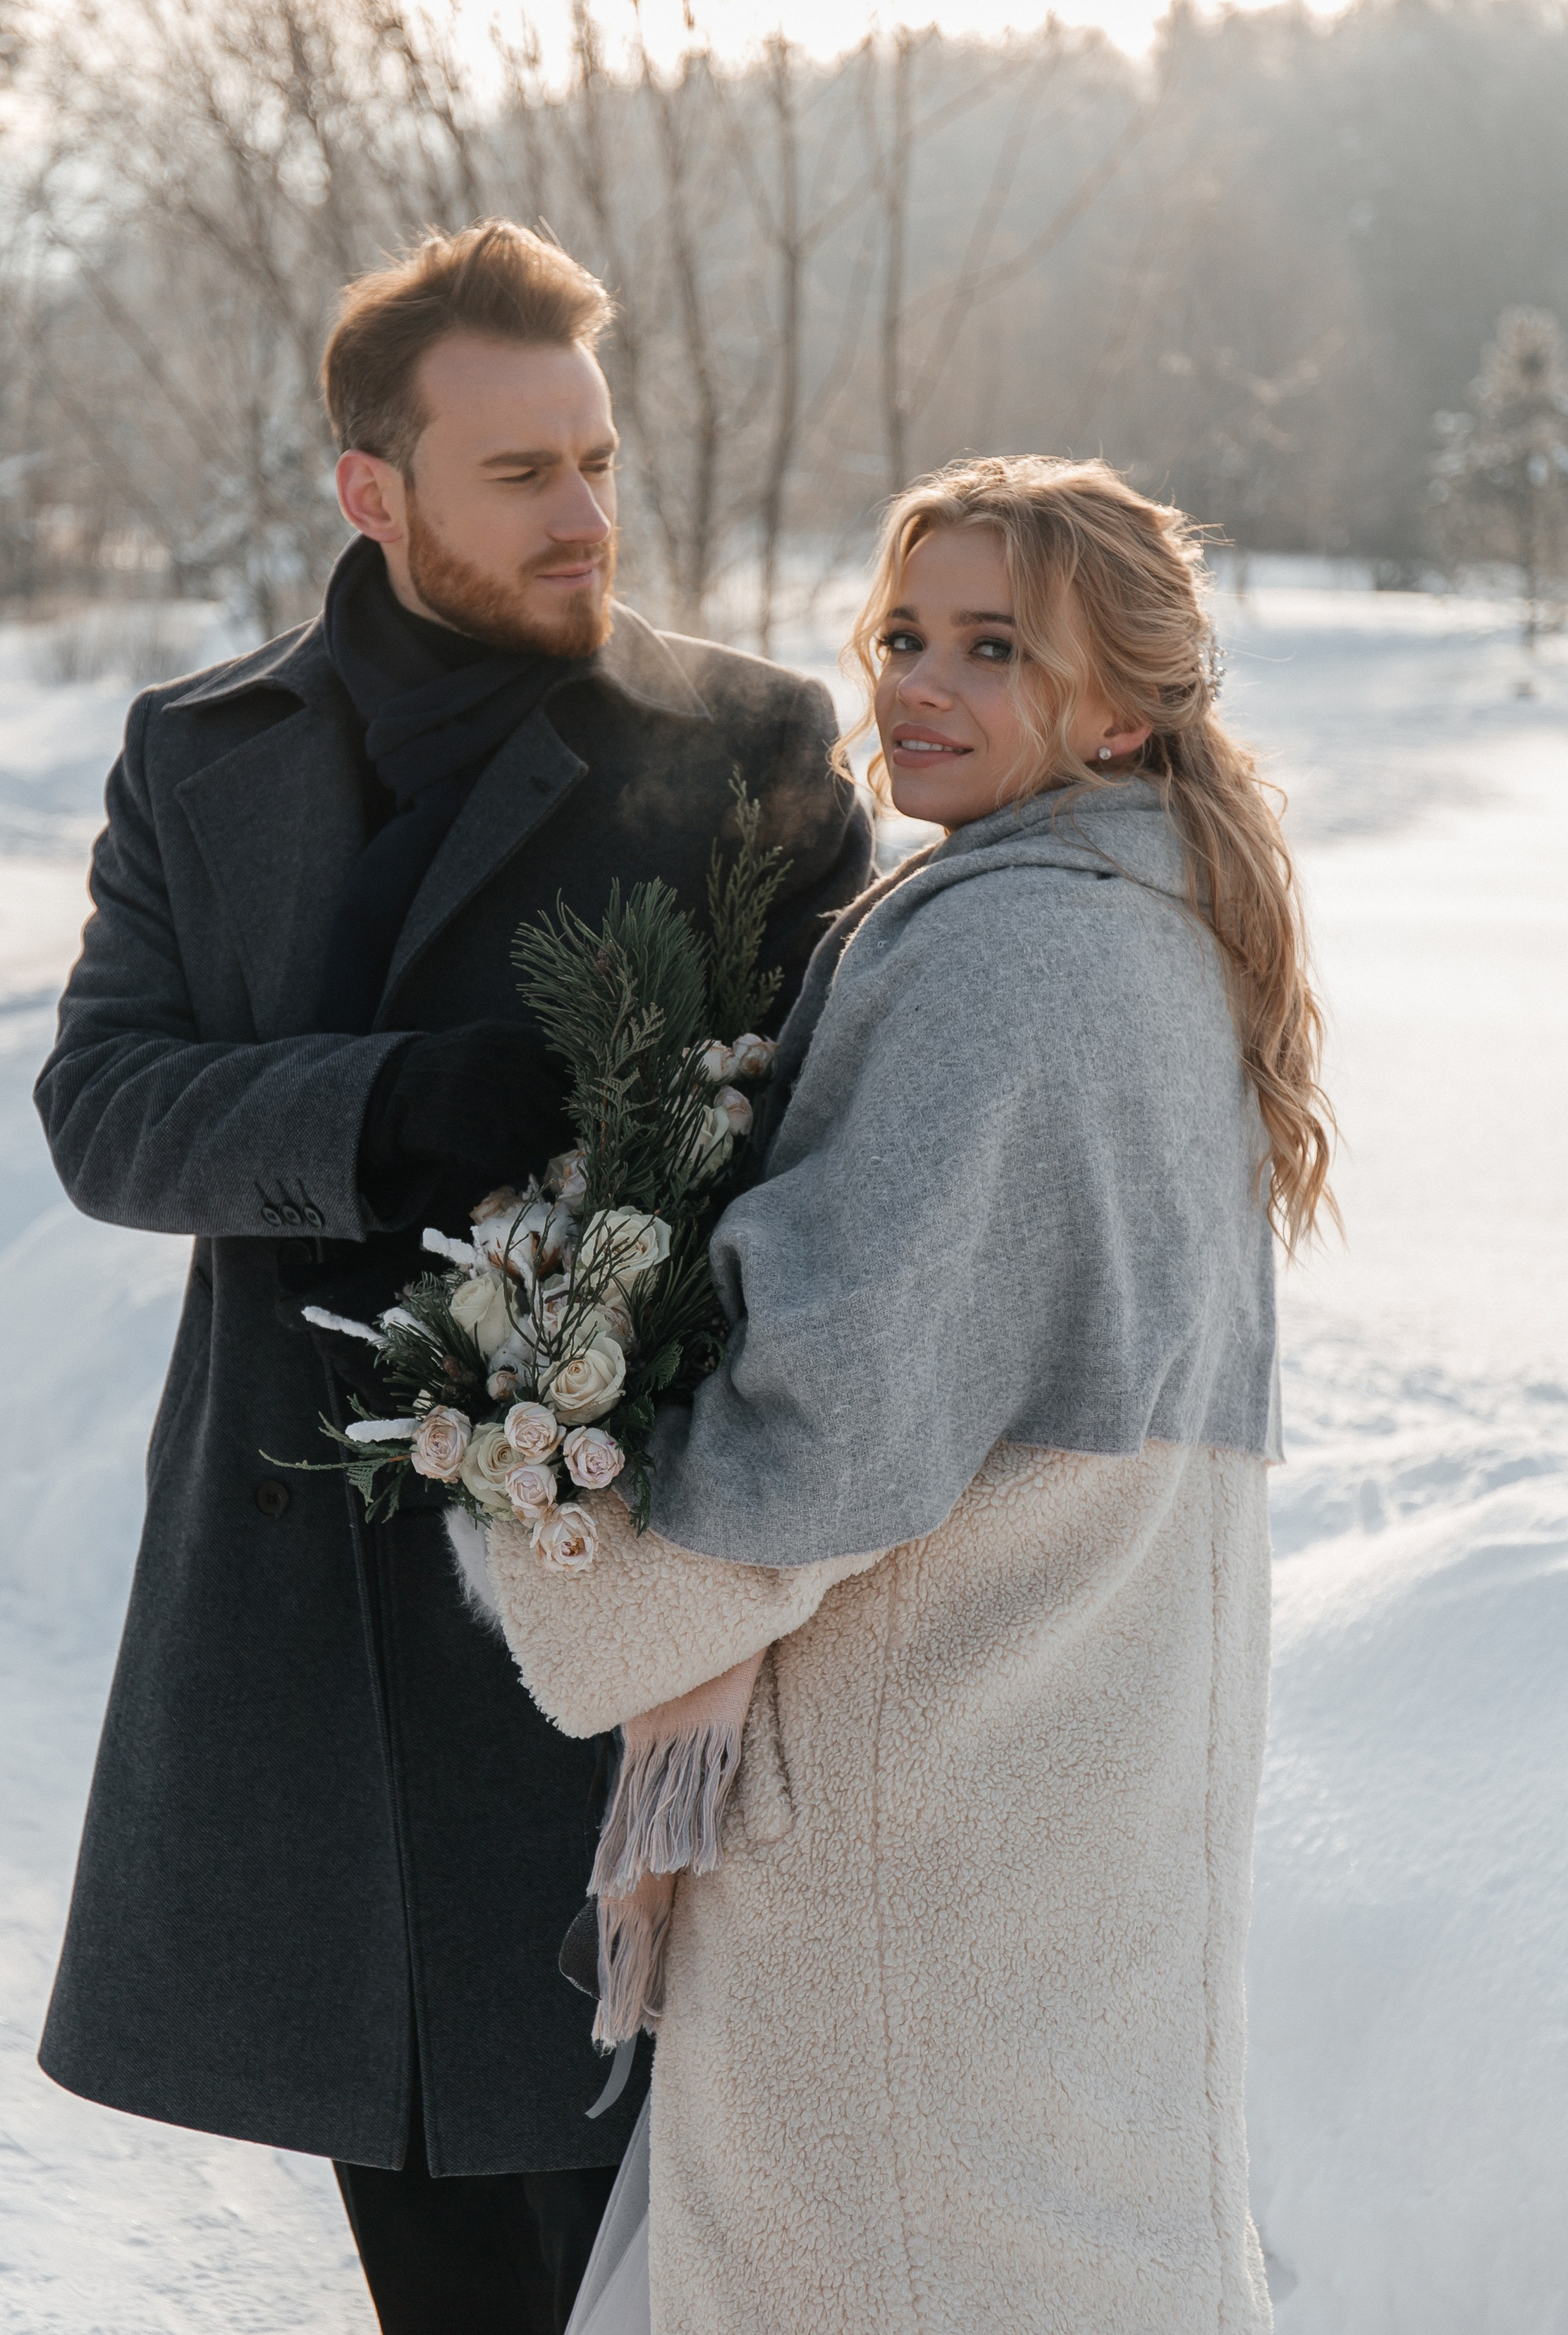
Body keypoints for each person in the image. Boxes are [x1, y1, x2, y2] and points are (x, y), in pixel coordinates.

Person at [30, 219, 872, 2335]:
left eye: (598, 460)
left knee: (649, 2248)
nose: (585, 513)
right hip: (299, 1606)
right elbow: (106, 1111)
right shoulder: (202, 754)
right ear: (373, 491)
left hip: (614, 1616)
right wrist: (390, 1103)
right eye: (520, 474)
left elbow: (852, 1152)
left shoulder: (749, 742)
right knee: (420, 2215)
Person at [488, 455, 1335, 2334]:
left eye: (994, 648)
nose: (920, 687)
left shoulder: (1009, 956)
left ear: (1122, 707)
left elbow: (831, 1412)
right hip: (1075, 1802)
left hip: (921, 1823)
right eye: (904, 635)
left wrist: (544, 1509)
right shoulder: (1148, 917)